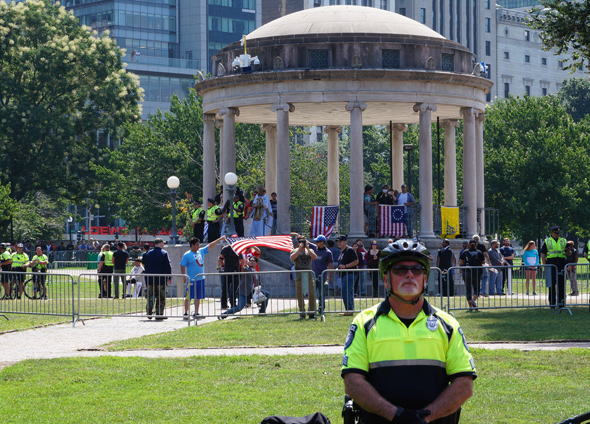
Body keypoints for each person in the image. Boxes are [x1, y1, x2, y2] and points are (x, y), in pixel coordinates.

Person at [342, 239, 476, 424]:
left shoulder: (448, 324)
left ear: (425, 279)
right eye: (400, 270)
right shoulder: (364, 323)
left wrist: (426, 417)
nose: (410, 275)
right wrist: (397, 416)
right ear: (386, 279)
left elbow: (464, 385)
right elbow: (353, 383)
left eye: (417, 269)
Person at [180, 235, 225, 320]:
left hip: (201, 279)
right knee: (188, 296)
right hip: (191, 280)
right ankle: (186, 313)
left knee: (198, 296)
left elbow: (210, 245)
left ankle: (196, 312)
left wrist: (219, 239)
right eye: (197, 244)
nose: (198, 246)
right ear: (192, 245)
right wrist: (184, 276)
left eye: (199, 244)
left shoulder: (201, 251)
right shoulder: (187, 255)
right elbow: (182, 265)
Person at [143, 238, 172, 320]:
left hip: (150, 279)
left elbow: (146, 266)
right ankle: (159, 314)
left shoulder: (148, 253)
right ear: (159, 243)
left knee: (150, 296)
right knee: (161, 297)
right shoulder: (164, 253)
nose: (163, 245)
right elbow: (168, 266)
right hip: (161, 279)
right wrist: (169, 277)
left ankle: (149, 311)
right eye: (163, 243)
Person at [290, 236, 318, 319]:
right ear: (298, 243)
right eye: (301, 241)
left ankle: (312, 312)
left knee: (312, 294)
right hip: (299, 275)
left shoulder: (310, 250)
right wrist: (299, 248)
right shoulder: (295, 250)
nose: (303, 243)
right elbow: (292, 258)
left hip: (309, 274)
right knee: (300, 295)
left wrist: (308, 249)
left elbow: (314, 257)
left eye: (304, 241)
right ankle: (302, 313)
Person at [306, 234, 334, 314]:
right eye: (316, 241)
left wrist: (330, 277)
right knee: (312, 294)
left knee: (321, 295)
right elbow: (306, 241)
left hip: (322, 276)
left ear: (322, 242)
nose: (316, 242)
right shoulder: (314, 248)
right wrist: (297, 235)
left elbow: (331, 266)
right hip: (313, 276)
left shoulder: (328, 253)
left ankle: (321, 310)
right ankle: (311, 310)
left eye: (318, 241)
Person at [541, 226, 567, 309]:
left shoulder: (563, 241)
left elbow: (567, 253)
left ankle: (561, 304)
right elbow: (543, 254)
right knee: (551, 285)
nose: (557, 235)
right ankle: (552, 304)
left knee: (561, 285)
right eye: (556, 233)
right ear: (552, 233)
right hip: (551, 265)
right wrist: (545, 266)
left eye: (558, 233)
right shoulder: (547, 241)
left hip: (561, 264)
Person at [459, 239, 485, 311]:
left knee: (468, 290)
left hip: (467, 272)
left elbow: (460, 263)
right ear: (476, 244)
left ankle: (470, 306)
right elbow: (483, 262)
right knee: (476, 289)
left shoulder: (465, 252)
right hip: (476, 273)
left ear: (468, 244)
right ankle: (473, 301)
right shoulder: (479, 252)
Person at [337, 235, 359, 314]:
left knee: (345, 291)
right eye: (338, 241)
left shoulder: (350, 250)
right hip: (344, 274)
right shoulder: (342, 251)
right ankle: (349, 310)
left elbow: (356, 261)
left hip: (350, 273)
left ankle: (349, 310)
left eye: (341, 241)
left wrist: (345, 266)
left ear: (346, 241)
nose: (339, 243)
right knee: (348, 292)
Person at [218, 243, 241, 309]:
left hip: (227, 270)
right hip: (235, 270)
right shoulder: (237, 249)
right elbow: (242, 261)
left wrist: (223, 266)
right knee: (234, 288)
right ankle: (233, 304)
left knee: (225, 288)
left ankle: (223, 304)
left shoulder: (224, 249)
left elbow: (220, 260)